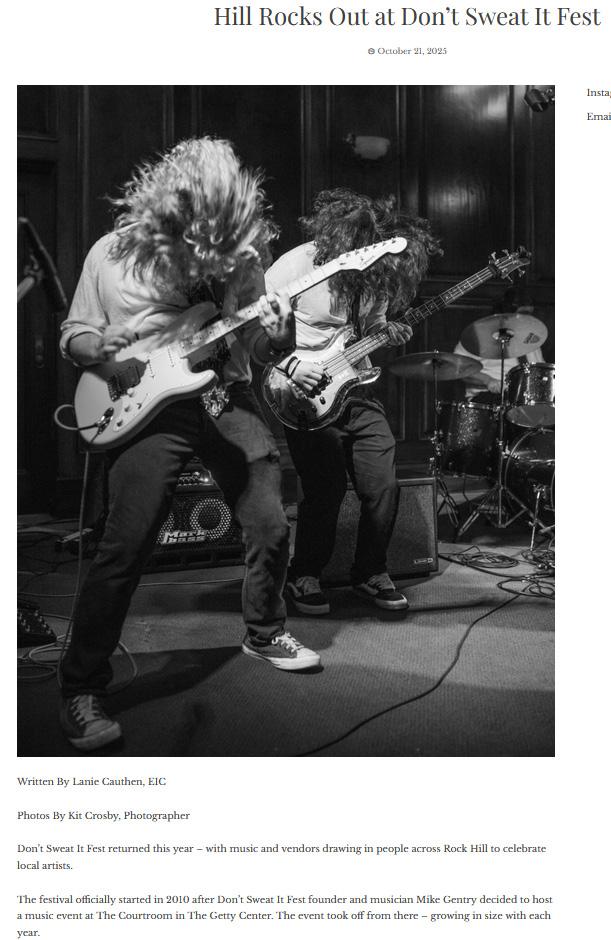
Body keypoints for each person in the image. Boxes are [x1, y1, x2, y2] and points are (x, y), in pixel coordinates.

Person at [59, 137, 320, 751]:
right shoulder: (113, 253)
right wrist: (102, 350)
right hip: (148, 405)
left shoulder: (240, 257)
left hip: (225, 395)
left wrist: (280, 337)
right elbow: (75, 332)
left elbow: (257, 345)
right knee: (126, 544)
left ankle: (263, 632)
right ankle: (81, 686)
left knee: (270, 523)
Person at [265, 189, 441, 615]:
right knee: (324, 488)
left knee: (383, 485)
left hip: (357, 389)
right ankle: (304, 574)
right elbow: (257, 327)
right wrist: (290, 366)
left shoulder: (376, 273)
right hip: (301, 390)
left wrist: (388, 332)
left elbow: (373, 327)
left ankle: (370, 572)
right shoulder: (296, 264)